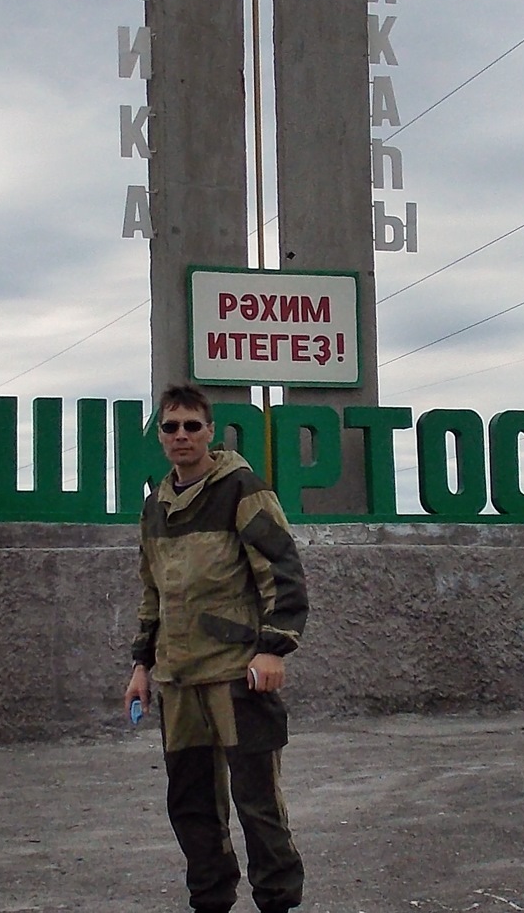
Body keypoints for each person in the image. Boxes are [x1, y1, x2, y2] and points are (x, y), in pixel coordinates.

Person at [124, 383, 308, 913]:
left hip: (236, 675)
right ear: (160, 436)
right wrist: (141, 664)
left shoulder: (241, 490)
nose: (181, 436)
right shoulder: (154, 508)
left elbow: (283, 573)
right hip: (177, 680)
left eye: (191, 426)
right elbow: (152, 593)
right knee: (191, 806)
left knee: (258, 805)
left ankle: (278, 902)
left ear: (209, 431)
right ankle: (210, 901)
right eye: (170, 427)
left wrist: (273, 648)